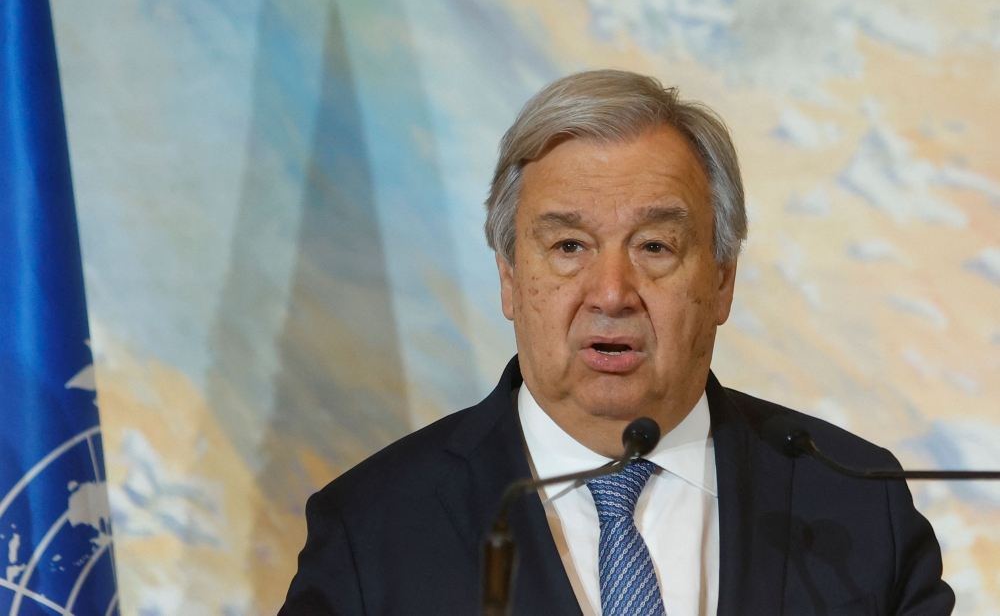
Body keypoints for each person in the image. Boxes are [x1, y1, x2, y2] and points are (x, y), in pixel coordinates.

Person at [279, 70, 954, 615]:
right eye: (568, 246)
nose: (611, 293)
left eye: (655, 246)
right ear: (510, 279)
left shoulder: (855, 504)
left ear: (721, 281)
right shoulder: (374, 528)